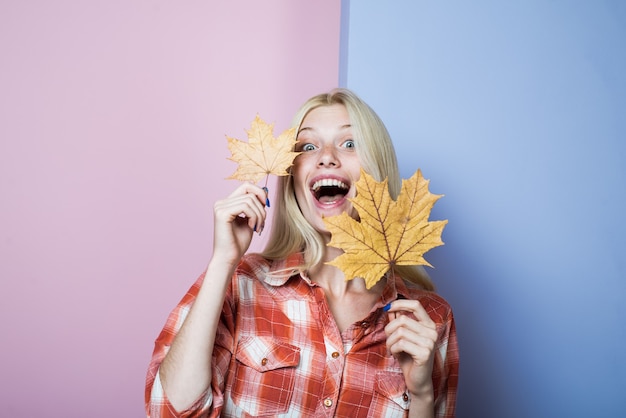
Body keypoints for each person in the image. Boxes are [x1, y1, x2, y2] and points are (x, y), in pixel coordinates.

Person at [145, 88, 459, 418]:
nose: (326, 156)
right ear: (293, 177)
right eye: (308, 146)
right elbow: (168, 411)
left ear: (378, 168)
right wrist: (223, 260)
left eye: (349, 143)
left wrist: (422, 394)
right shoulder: (242, 284)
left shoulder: (429, 319)